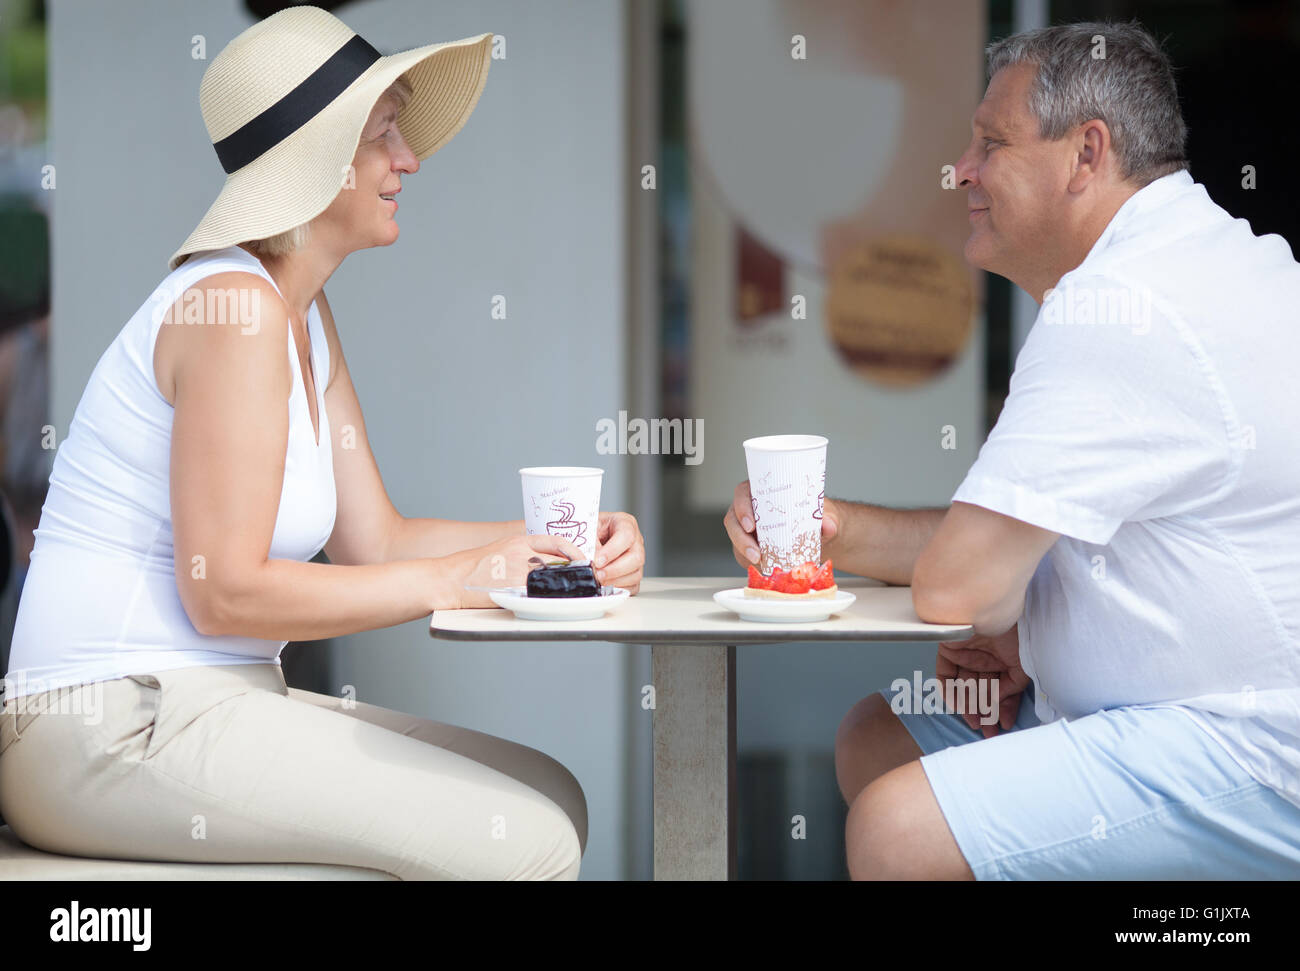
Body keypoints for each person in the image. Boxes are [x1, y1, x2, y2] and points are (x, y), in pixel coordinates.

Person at [0, 6, 644, 880]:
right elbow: (222, 595)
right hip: (111, 725)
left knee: (550, 790)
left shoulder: (299, 315)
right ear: (317, 159)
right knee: (527, 842)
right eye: (385, 136)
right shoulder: (236, 313)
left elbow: (374, 539)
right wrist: (460, 577)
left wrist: (561, 548)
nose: (409, 160)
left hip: (210, 705)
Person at [725, 20, 1300, 879]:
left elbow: (962, 581)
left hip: (1247, 746)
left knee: (898, 829)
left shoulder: (1122, 305)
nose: (960, 169)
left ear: (1085, 154)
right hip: (1167, 703)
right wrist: (828, 528)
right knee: (882, 736)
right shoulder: (1192, 260)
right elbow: (1001, 549)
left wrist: (1015, 628)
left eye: (991, 143)